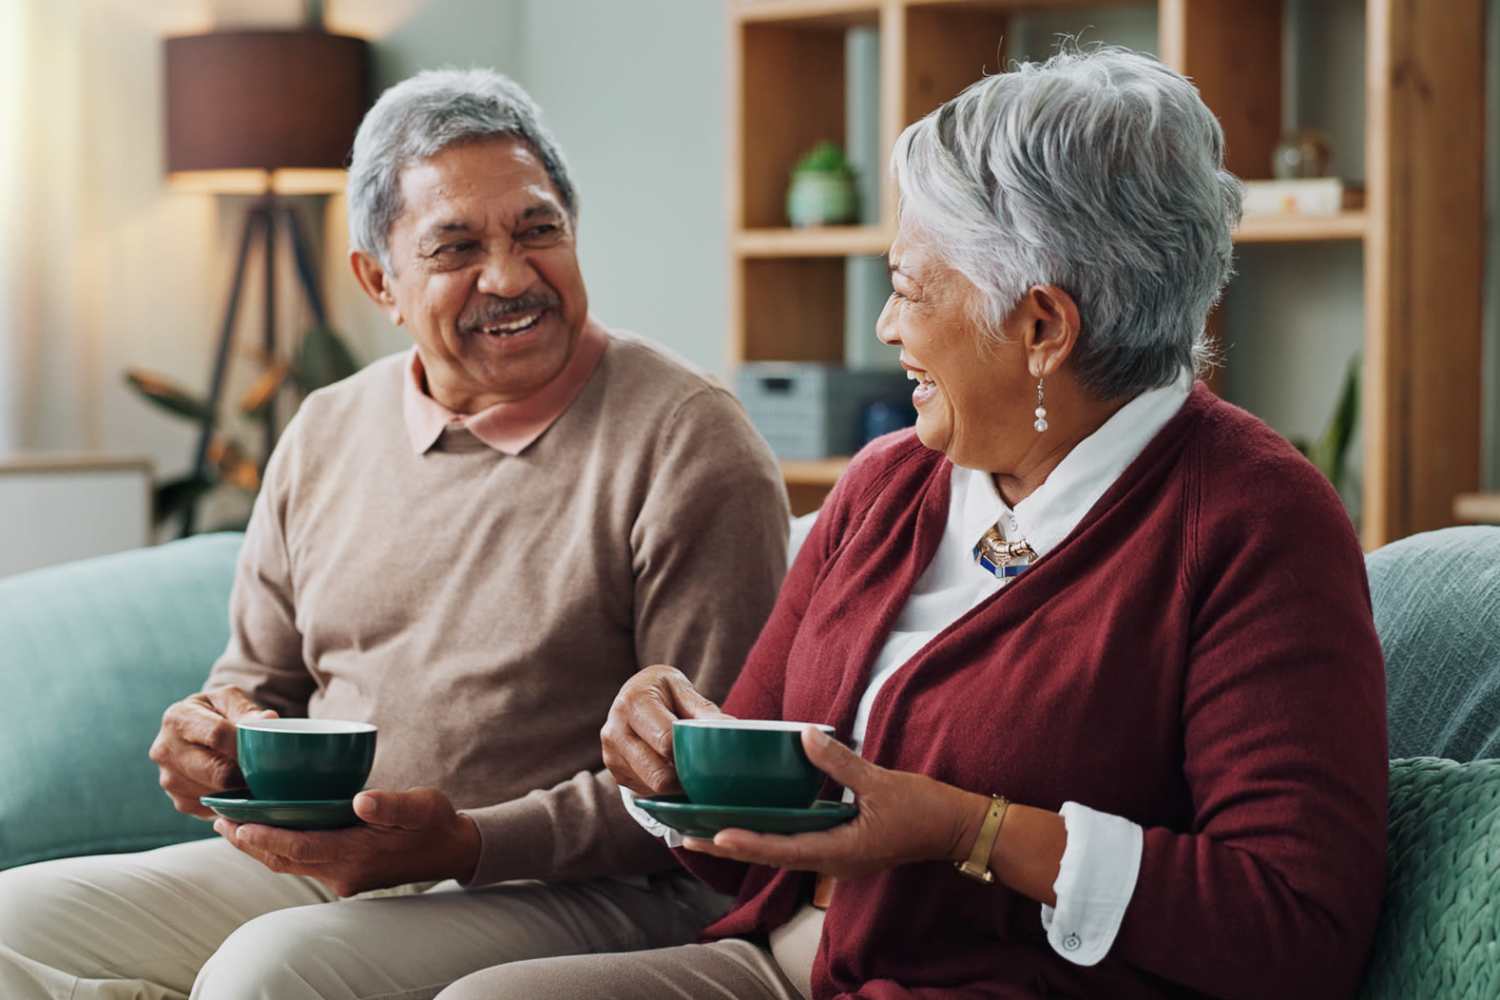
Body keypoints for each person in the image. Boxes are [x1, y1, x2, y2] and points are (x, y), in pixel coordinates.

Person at [438, 46, 1388, 1000]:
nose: (887, 326)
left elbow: (1294, 926)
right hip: (776, 965)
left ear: (1043, 328)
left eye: (908, 284)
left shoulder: (1255, 520)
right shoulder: (890, 482)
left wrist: (969, 831)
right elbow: (740, 850)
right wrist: (673, 748)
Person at [0, 68, 789, 1000]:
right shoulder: (326, 430)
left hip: (599, 887)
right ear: (380, 280)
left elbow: (709, 792)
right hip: (334, 861)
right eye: (456, 248)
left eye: (538, 230)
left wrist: (468, 840)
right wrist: (217, 733)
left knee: (271, 972)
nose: (509, 276)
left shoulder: (687, 438)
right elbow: (256, 680)